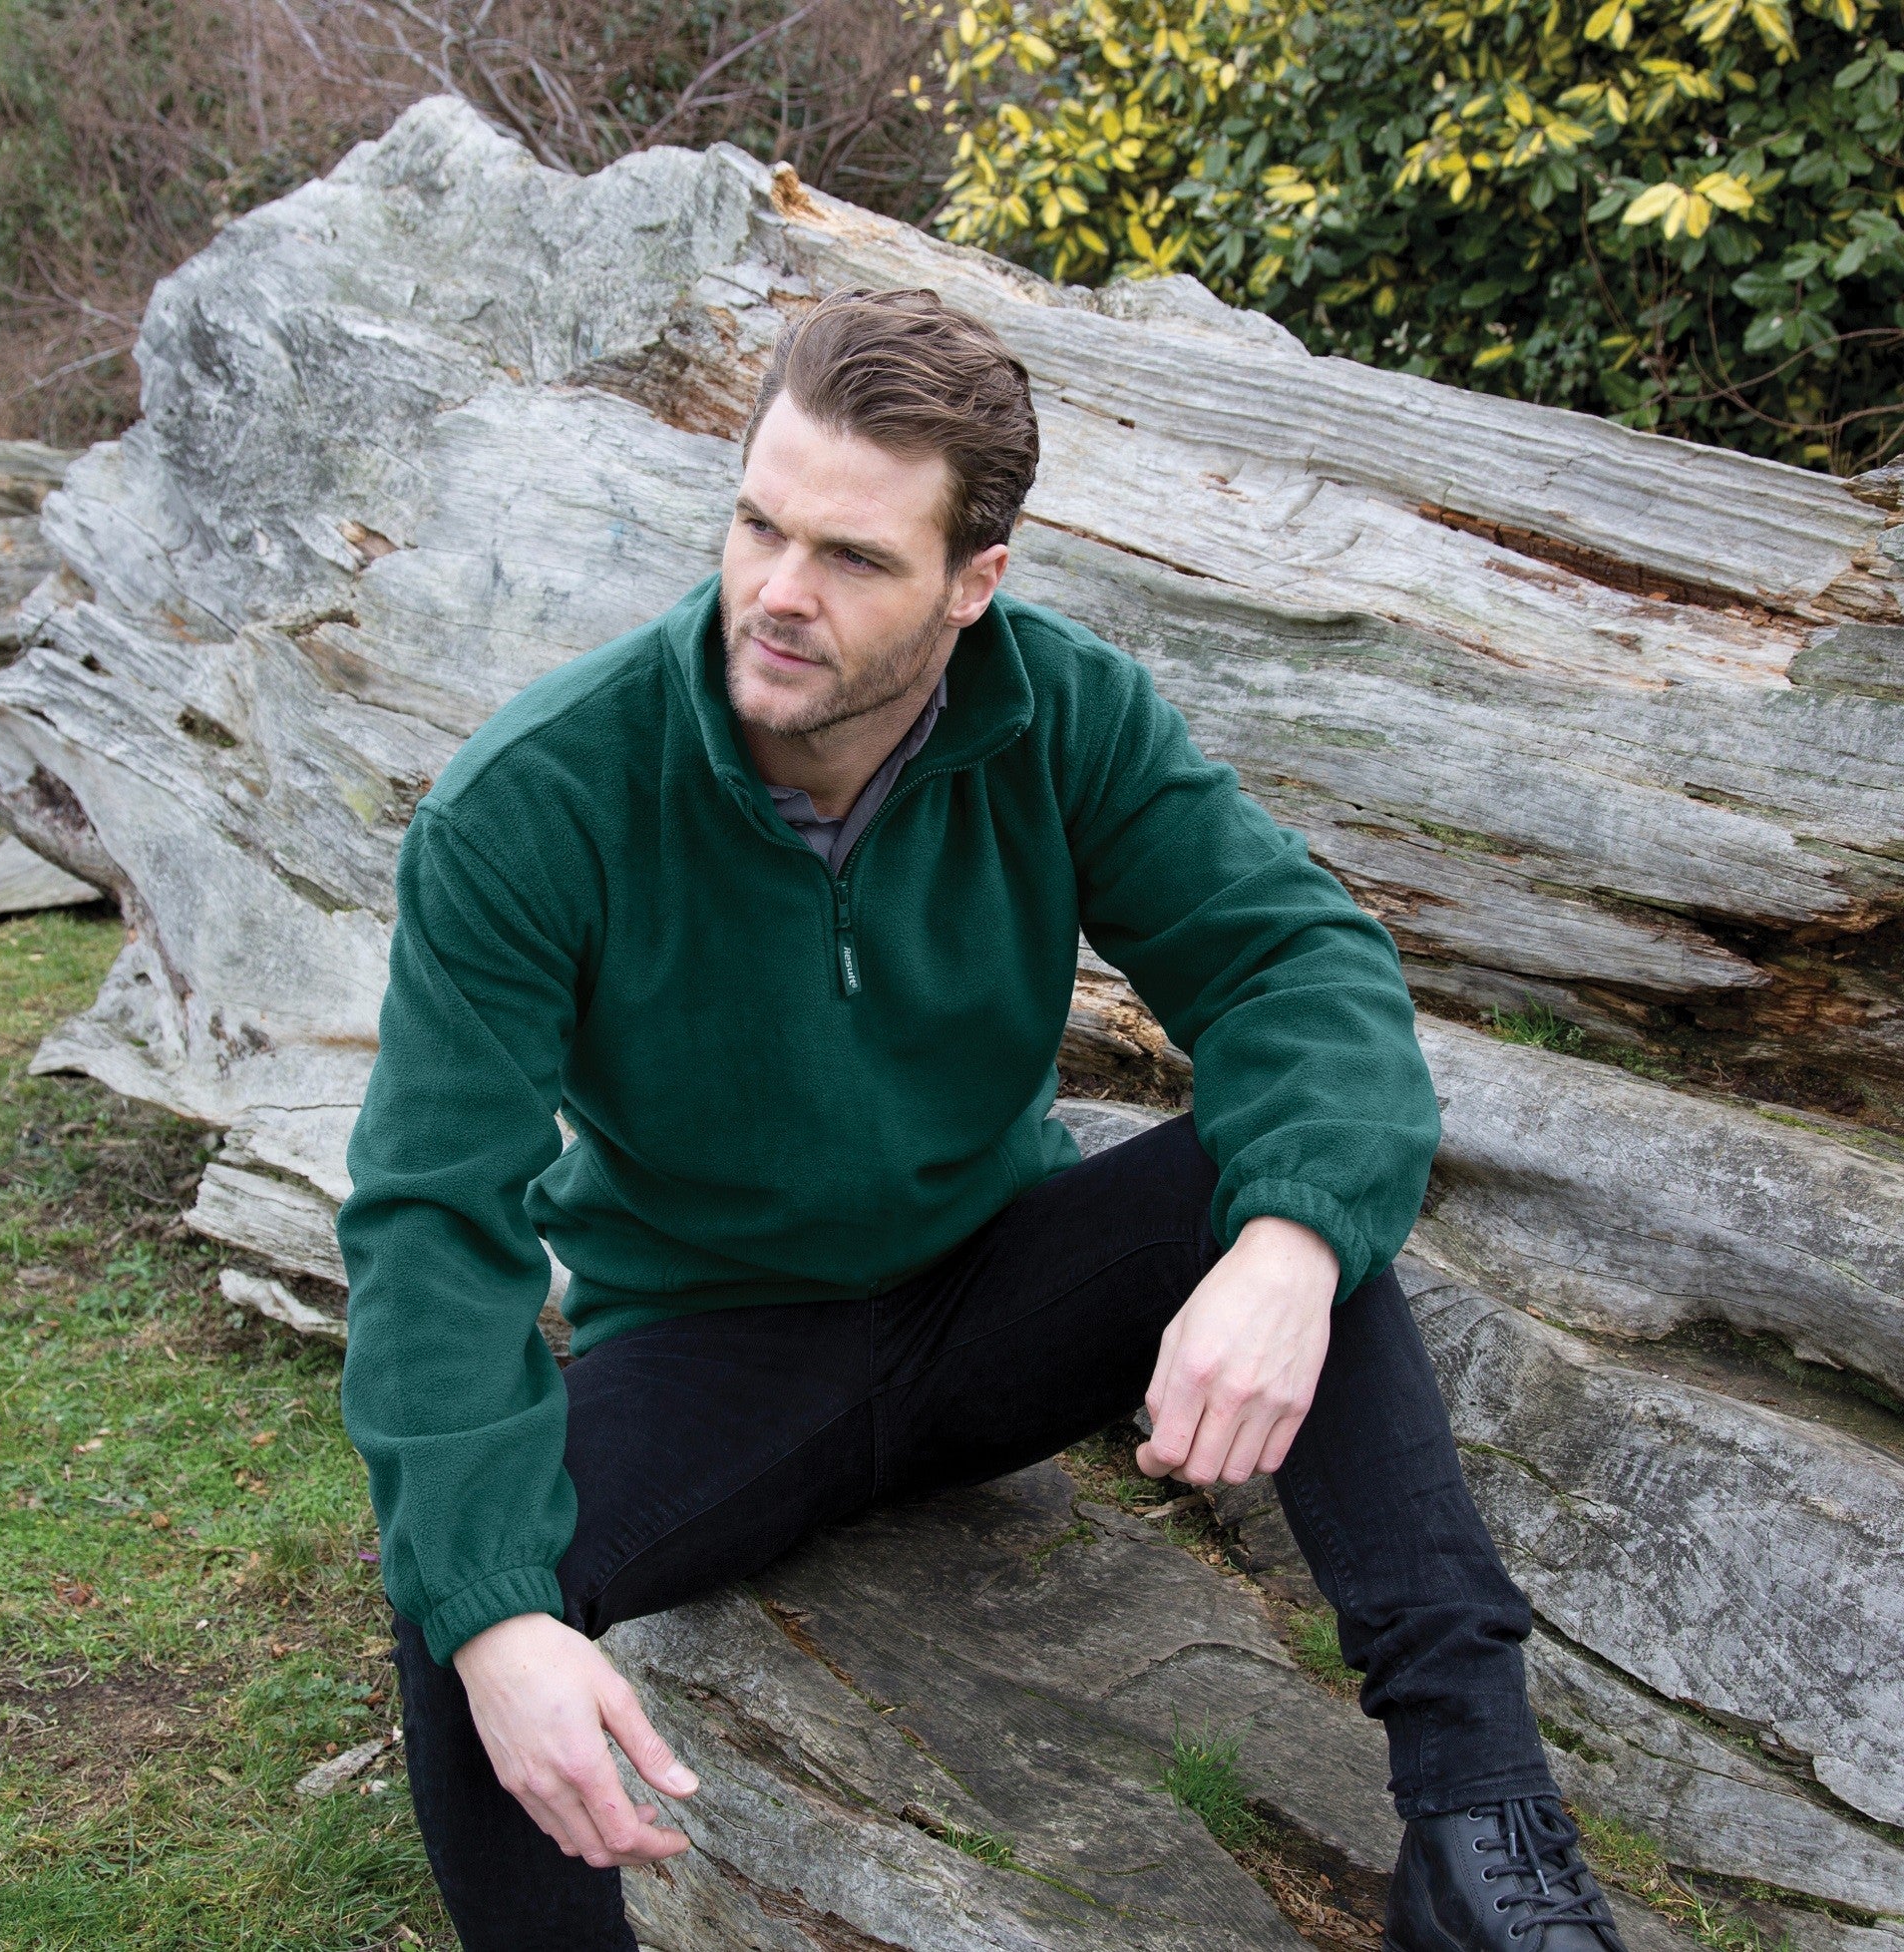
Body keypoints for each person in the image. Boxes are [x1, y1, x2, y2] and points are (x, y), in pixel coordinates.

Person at [337, 286, 1628, 1952]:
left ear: (974, 581)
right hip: (717, 1352)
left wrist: (1287, 1252)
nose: (778, 592)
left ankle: (1482, 1839)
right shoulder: (537, 800)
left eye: (854, 556)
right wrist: (500, 1619)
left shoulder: (1063, 710)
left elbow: (1297, 967)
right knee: (466, 1599)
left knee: (1288, 1199)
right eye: (759, 524)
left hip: (997, 1292)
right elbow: (433, 1222)